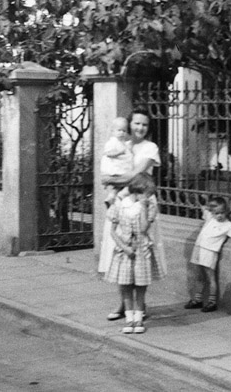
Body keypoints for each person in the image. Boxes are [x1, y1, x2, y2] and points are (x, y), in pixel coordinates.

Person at [102, 108, 164, 321]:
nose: (140, 128)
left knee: (139, 255)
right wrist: (110, 180)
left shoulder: (150, 148)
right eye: (136, 123)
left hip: (142, 203)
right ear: (130, 125)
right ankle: (123, 305)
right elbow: (107, 165)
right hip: (121, 203)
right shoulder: (122, 144)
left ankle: (140, 306)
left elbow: (136, 176)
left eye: (144, 124)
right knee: (120, 254)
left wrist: (111, 180)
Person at [105, 173, 165, 333]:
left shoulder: (148, 206)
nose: (149, 197)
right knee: (125, 285)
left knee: (140, 286)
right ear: (138, 190)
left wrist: (144, 207)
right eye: (148, 194)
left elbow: (144, 228)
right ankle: (129, 318)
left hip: (141, 250)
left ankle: (138, 319)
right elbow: (112, 231)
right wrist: (124, 247)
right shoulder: (120, 204)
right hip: (124, 250)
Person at [185, 196, 231, 312]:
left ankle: (212, 302)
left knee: (210, 277)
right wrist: (205, 201)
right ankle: (198, 300)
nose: (219, 216)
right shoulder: (210, 218)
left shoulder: (227, 225)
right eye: (217, 213)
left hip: (210, 251)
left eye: (222, 213)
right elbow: (204, 207)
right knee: (199, 275)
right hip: (199, 247)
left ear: (226, 212)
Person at [100, 117, 133, 208]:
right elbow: (108, 154)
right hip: (114, 170)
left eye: (124, 131)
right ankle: (120, 195)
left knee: (118, 186)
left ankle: (111, 197)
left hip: (121, 169)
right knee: (130, 182)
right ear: (113, 131)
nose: (122, 133)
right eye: (119, 130)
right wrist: (119, 153)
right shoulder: (112, 142)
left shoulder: (123, 142)